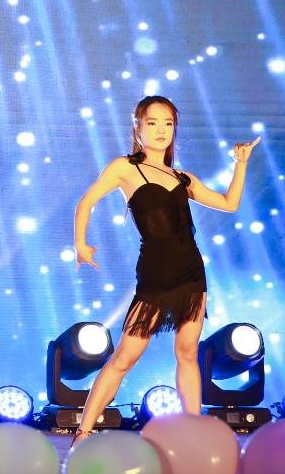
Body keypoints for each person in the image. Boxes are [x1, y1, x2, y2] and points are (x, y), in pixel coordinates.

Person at [71, 95, 260, 444]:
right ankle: (83, 432)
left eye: (168, 123)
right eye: (152, 123)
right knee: (125, 356)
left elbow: (229, 203)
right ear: (138, 129)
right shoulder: (125, 168)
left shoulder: (183, 178)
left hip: (192, 273)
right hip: (155, 274)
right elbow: (86, 201)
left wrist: (241, 164)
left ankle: (195, 432)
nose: (161, 130)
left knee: (187, 353)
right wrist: (80, 245)